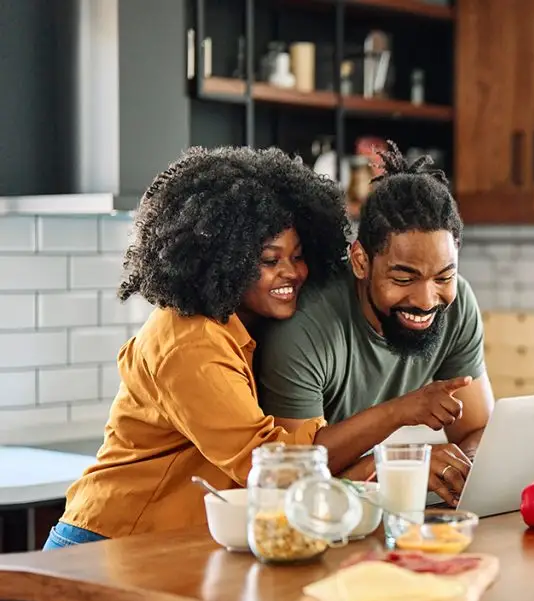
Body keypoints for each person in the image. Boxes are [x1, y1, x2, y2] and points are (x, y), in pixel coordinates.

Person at [45, 146, 364, 550]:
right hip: (107, 542)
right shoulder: (190, 341)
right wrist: (395, 423)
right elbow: (267, 465)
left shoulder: (252, 326)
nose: (292, 272)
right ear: (224, 261)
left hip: (165, 546)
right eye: (269, 260)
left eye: (298, 257)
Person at [256, 141, 494, 506]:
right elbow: (292, 474)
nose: (426, 300)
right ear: (361, 262)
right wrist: (402, 417)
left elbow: (477, 428)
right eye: (403, 278)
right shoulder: (304, 328)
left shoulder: (458, 306)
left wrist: (470, 465)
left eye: (443, 277)